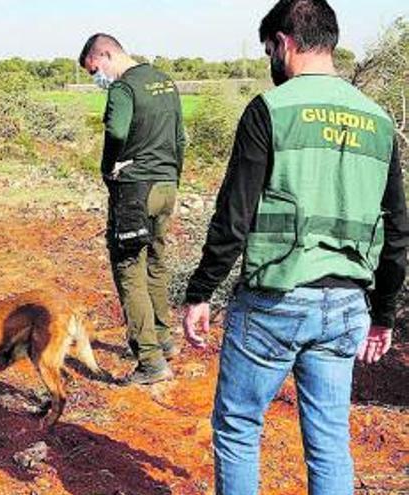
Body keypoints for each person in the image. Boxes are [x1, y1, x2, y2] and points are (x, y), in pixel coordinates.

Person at [181, 1, 408, 493]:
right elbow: (396, 230)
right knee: (329, 441)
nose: (271, 62)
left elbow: (234, 216)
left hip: (275, 303)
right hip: (349, 305)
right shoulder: (380, 121)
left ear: (283, 43)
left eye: (269, 50)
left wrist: (201, 291)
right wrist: (384, 314)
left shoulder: (270, 110)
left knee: (239, 428)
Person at [79, 33, 186, 384]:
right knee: (156, 261)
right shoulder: (165, 82)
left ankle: (150, 361)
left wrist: (108, 167)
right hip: (166, 187)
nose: (99, 78)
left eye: (96, 69)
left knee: (129, 268)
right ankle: (165, 339)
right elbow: (180, 139)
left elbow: (117, 130)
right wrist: (173, 177)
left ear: (107, 54)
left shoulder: (123, 89)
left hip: (135, 190)